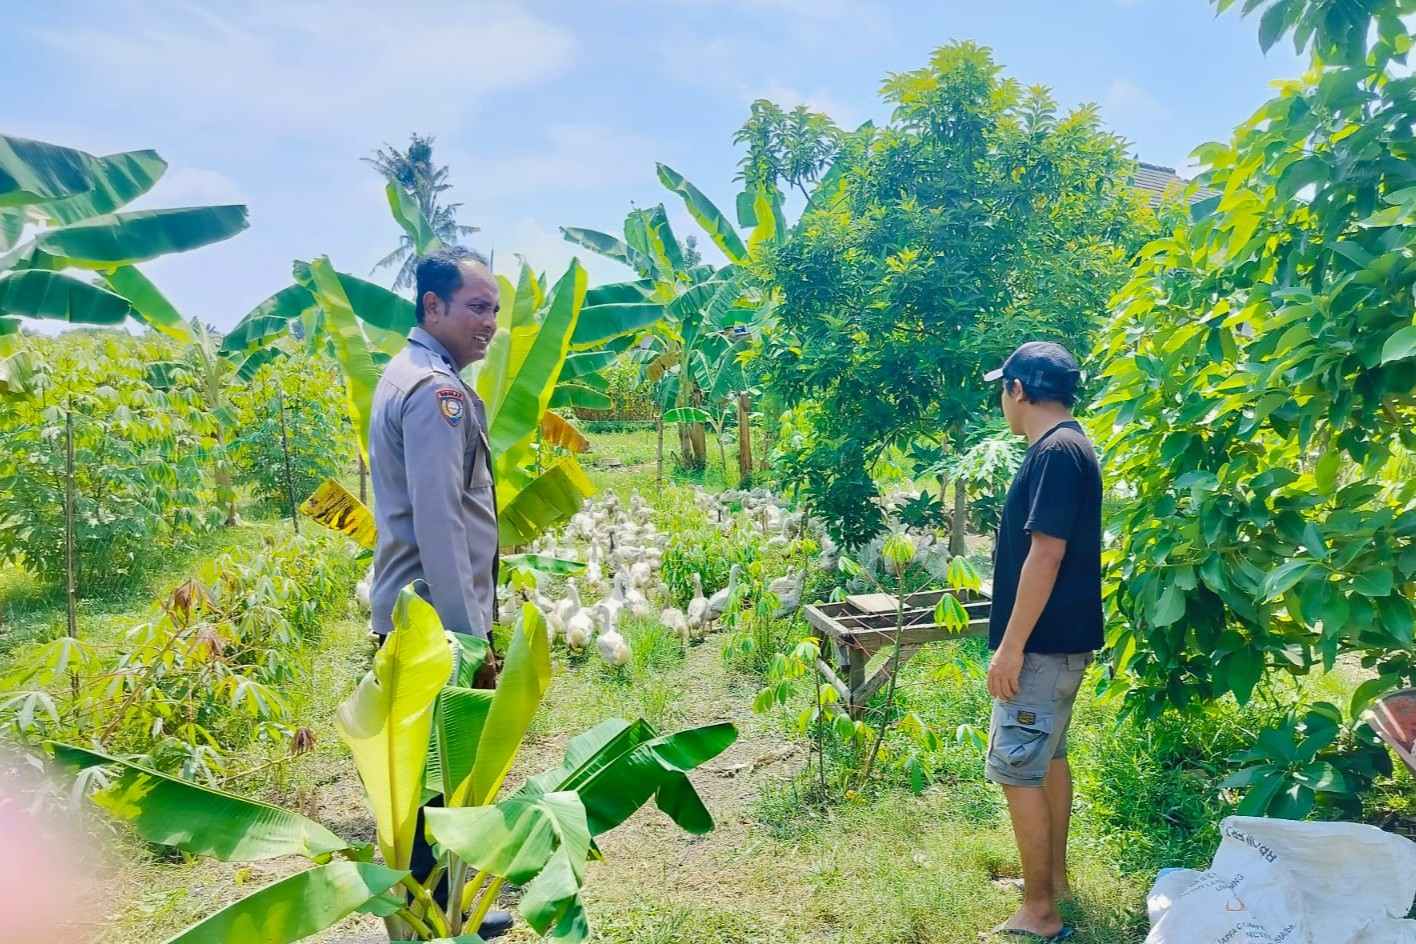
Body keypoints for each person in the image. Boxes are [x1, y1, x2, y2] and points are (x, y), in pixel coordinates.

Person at [367, 247, 511, 937]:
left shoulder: (410, 374)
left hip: (416, 614)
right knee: (431, 780)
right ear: (433, 306)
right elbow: (442, 523)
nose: (489, 323)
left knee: (433, 777)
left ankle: (443, 912)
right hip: (431, 621)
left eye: (495, 310)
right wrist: (468, 635)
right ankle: (433, 921)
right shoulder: (436, 393)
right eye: (476, 307)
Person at [980, 341, 1102, 943]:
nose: (1002, 400)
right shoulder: (1068, 447)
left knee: (1018, 769)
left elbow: (1046, 554)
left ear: (1019, 390)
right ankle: (1050, 882)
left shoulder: (1055, 453)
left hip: (1041, 648)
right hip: (1057, 645)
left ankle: (1040, 913)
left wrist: (1010, 647)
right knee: (1047, 757)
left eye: (1003, 389)